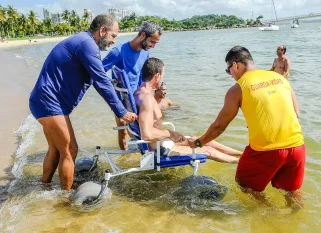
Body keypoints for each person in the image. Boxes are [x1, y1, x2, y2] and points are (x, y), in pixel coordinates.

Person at [29, 14, 137, 190]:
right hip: (49, 103)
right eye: (113, 36)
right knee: (70, 150)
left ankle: (45, 187)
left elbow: (99, 75)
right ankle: (66, 198)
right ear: (102, 30)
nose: (113, 42)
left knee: (56, 149)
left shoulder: (83, 42)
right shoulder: (87, 45)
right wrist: (121, 111)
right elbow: (102, 81)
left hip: (43, 102)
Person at [188, 46, 305, 207]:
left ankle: (270, 216)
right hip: (297, 146)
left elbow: (219, 126)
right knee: (292, 192)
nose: (230, 75)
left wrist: (199, 142)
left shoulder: (238, 89)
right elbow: (296, 113)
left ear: (236, 65)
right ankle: (295, 220)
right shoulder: (279, 78)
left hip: (266, 149)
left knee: (244, 185)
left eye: (229, 70)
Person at [135, 58, 242, 163]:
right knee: (208, 150)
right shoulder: (147, 99)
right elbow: (147, 135)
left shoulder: (138, 93)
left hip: (163, 143)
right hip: (160, 149)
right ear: (157, 76)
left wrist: (171, 135)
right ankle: (243, 163)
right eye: (163, 75)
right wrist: (170, 133)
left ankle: (242, 155)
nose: (163, 78)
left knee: (204, 141)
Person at [102, 20, 162, 150]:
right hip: (123, 99)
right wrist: (113, 95)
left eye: (156, 43)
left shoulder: (145, 52)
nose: (153, 46)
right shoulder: (118, 52)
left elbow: (145, 74)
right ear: (142, 35)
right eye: (152, 42)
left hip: (139, 97)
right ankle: (124, 154)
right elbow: (99, 73)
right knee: (123, 131)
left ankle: (150, 153)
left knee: (148, 125)